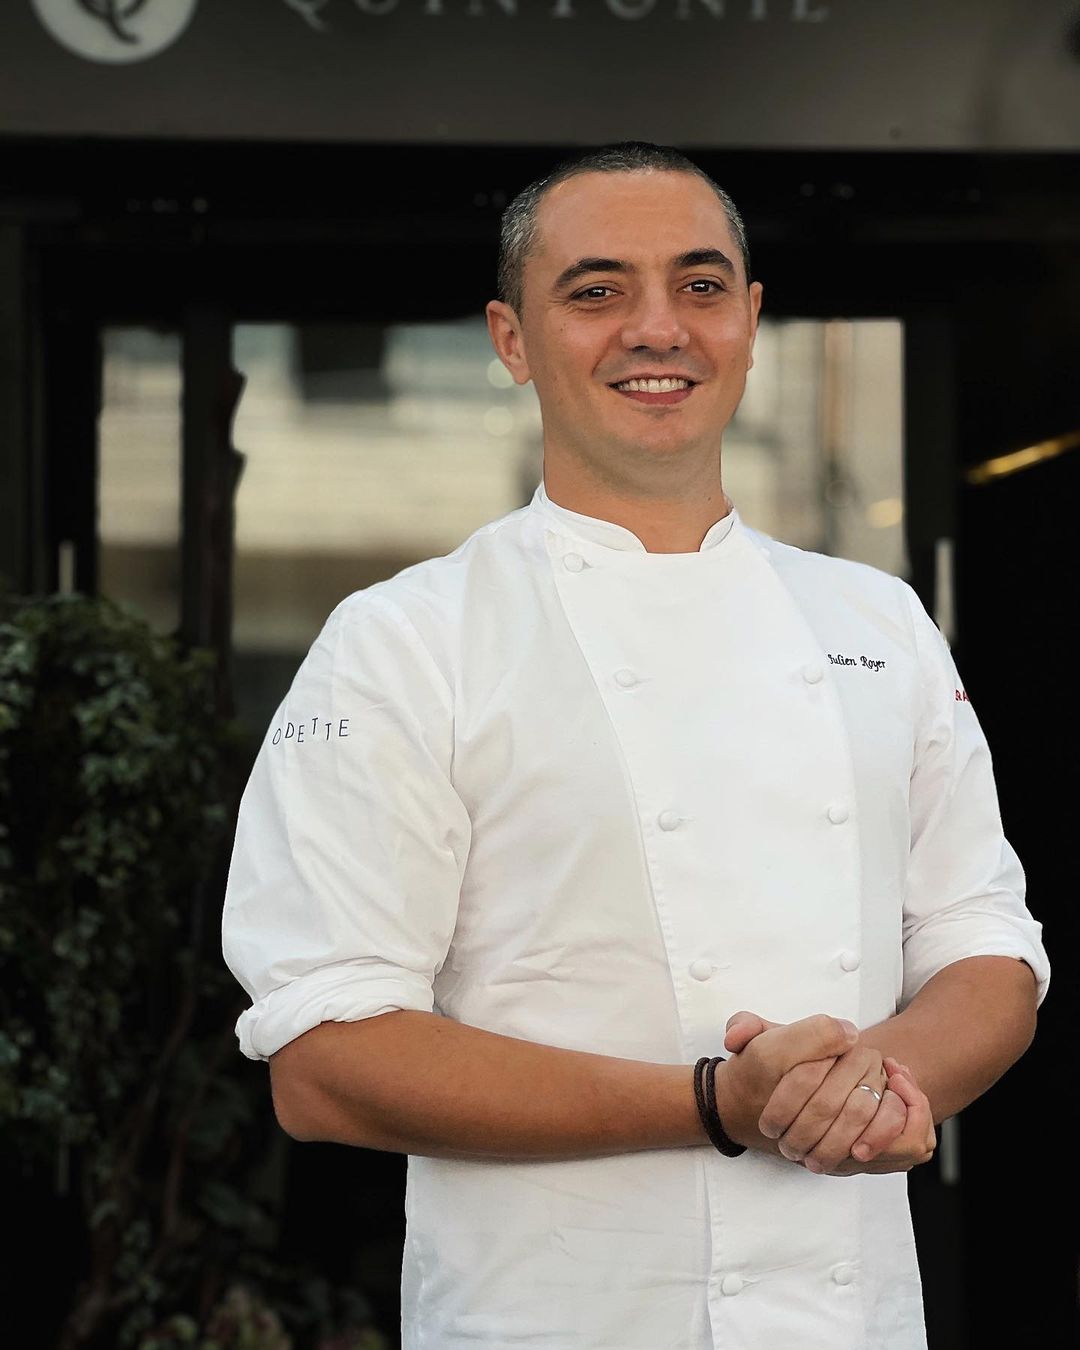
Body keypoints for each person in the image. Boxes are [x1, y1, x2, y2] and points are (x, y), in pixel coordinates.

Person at [221, 142, 1049, 1350]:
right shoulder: (405, 642)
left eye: (700, 286)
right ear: (511, 339)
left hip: (848, 1320)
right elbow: (325, 1060)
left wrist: (865, 1090)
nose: (658, 328)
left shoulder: (877, 620)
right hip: (549, 1320)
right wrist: (717, 1104)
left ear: (750, 322)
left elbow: (986, 945)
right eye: (597, 290)